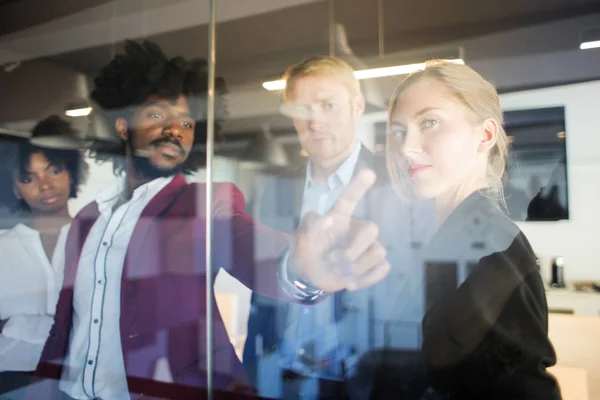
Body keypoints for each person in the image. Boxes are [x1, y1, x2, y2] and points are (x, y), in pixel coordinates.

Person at [34, 41, 390, 400]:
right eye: (158, 115)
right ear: (123, 127)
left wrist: (299, 269)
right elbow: (65, 323)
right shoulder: (87, 219)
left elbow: (246, 245)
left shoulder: (204, 204)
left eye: (186, 122)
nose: (175, 130)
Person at [243, 56, 430, 399]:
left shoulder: (402, 187)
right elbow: (262, 291)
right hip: (279, 377)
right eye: (301, 110)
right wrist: (252, 372)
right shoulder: (274, 192)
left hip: (366, 381)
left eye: (327, 105)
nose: (314, 121)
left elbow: (414, 300)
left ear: (357, 106)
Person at [381, 60, 560, 399]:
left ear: (486, 134)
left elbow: (524, 387)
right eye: (400, 132)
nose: (406, 147)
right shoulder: (432, 236)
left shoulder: (494, 246)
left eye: (430, 122)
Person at [0, 116, 87, 393]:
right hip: (10, 380)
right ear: (15, 188)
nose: (45, 185)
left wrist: (12, 325)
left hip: (80, 376)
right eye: (28, 178)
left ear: (71, 173)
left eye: (54, 170)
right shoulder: (3, 246)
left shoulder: (98, 241)